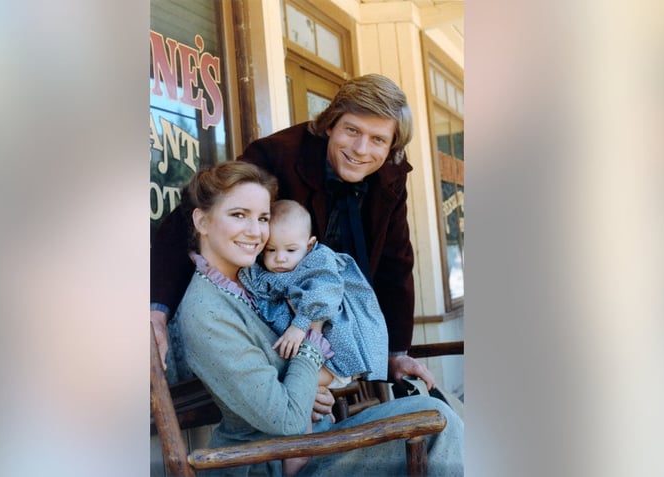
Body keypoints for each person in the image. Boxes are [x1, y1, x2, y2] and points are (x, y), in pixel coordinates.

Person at [167, 161, 462, 476]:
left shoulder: (252, 280)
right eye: (239, 215)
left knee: (435, 413)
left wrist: (307, 387)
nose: (256, 232)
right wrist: (313, 333)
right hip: (265, 461)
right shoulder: (207, 312)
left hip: (311, 443)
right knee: (435, 424)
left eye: (263, 218)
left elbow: (276, 379)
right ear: (203, 221)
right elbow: (287, 419)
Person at [152, 73, 436, 396]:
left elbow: (395, 264)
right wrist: (158, 308)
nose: (360, 149)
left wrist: (396, 354)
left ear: (392, 145)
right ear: (330, 124)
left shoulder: (389, 175)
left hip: (339, 319)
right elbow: (197, 211)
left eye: (378, 140)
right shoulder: (280, 154)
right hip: (275, 323)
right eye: (352, 130)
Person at [239, 199, 389, 476]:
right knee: (297, 386)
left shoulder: (318, 262)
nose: (280, 258)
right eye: (270, 250)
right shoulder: (274, 271)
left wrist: (301, 324)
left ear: (309, 245)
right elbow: (251, 281)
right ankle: (309, 440)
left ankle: (299, 455)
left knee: (289, 383)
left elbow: (326, 295)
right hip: (312, 357)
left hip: (336, 356)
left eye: (290, 249)